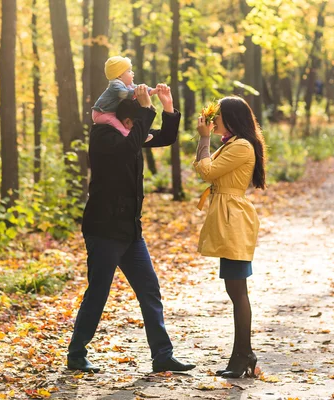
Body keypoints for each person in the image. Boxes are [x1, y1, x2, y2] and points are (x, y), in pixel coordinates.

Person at [67, 83, 196, 374]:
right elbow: (127, 149)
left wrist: (168, 107)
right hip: (104, 230)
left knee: (149, 289)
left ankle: (162, 355)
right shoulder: (104, 137)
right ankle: (76, 353)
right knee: (98, 292)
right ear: (127, 122)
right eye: (135, 123)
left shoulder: (130, 134)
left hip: (130, 232)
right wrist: (145, 112)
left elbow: (165, 137)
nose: (137, 128)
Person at [194, 96, 267, 378]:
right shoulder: (233, 143)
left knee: (238, 291)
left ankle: (243, 355)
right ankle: (242, 354)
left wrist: (204, 139)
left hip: (234, 220)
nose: (214, 122)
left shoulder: (242, 146)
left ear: (232, 118)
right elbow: (206, 170)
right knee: (234, 290)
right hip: (227, 217)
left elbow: (206, 170)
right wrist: (206, 141)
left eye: (218, 116)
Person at [92, 56, 155, 141]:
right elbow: (125, 94)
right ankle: (129, 136)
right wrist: (138, 93)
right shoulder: (115, 85)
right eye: (129, 71)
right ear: (119, 76)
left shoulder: (127, 84)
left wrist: (152, 91)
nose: (132, 73)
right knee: (116, 124)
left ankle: (139, 135)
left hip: (109, 111)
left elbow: (136, 88)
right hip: (101, 114)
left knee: (122, 123)